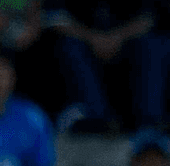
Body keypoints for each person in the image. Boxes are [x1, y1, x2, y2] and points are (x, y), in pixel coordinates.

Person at [46, 1, 154, 131]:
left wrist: (118, 37)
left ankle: (149, 120)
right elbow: (55, 18)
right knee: (69, 46)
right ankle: (99, 118)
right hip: (84, 40)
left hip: (125, 41)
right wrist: (92, 38)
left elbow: (148, 18)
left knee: (149, 45)